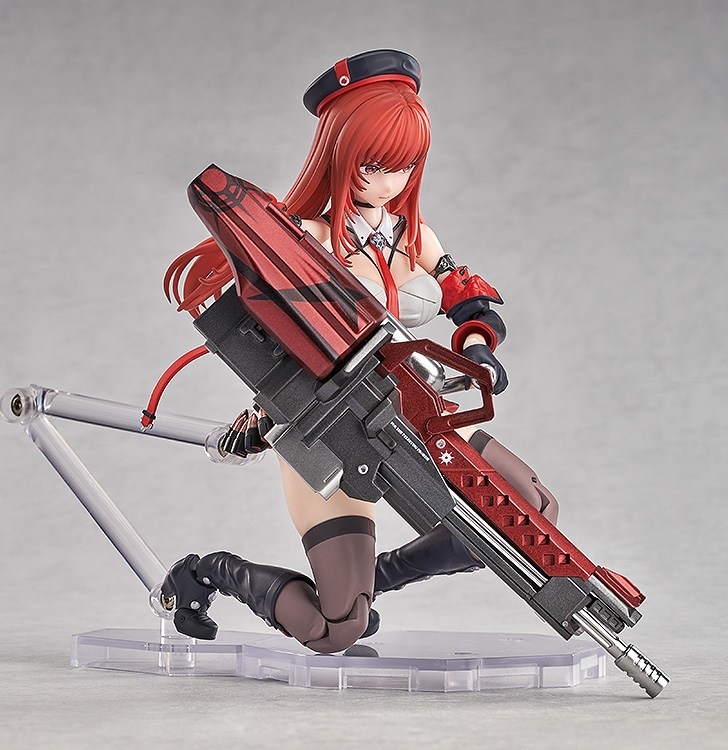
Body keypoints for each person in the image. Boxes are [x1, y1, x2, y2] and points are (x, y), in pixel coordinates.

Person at [160, 50, 558, 653]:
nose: (391, 182)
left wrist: (478, 349)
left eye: (406, 165)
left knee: (529, 515)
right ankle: (209, 572)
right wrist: (265, 414)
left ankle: (377, 579)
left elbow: (469, 299)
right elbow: (275, 338)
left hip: (418, 409)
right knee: (335, 626)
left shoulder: (415, 237)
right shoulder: (306, 240)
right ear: (338, 154)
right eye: (375, 165)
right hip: (333, 428)